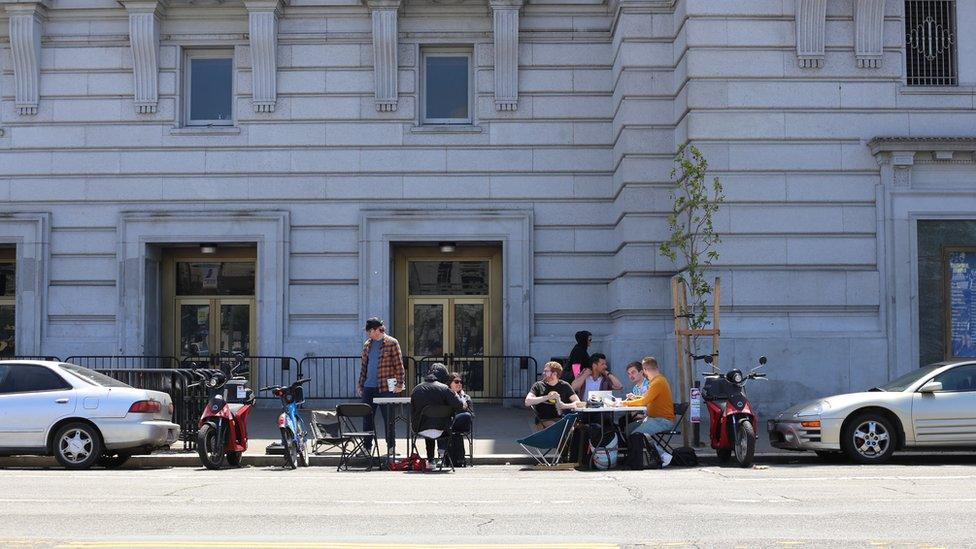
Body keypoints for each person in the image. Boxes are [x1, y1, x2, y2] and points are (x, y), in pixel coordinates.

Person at [356, 317, 405, 453]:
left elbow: (399, 365)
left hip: (385, 387)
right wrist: (360, 385)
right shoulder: (367, 344)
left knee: (388, 418)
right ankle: (367, 447)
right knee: (367, 418)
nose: (368, 333)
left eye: (370, 331)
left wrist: (400, 383)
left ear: (377, 329)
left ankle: (391, 447)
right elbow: (364, 367)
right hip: (369, 387)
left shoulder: (392, 343)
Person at [622, 356, 677, 467]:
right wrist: (635, 398)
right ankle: (636, 456)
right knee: (628, 429)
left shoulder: (657, 382)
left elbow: (645, 401)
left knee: (637, 435)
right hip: (653, 419)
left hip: (662, 420)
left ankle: (662, 456)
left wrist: (624, 403)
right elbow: (647, 399)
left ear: (645, 370)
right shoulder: (658, 380)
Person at [410, 362, 463, 469]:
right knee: (436, 421)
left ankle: (430, 460)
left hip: (420, 428)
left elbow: (413, 412)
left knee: (428, 421)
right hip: (443, 430)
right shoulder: (445, 389)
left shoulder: (416, 389)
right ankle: (442, 455)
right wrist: (455, 394)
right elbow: (459, 405)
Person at [525, 361, 580, 431]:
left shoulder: (564, 385)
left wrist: (564, 406)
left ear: (554, 374)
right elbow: (527, 402)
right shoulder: (538, 385)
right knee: (556, 427)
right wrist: (547, 397)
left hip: (562, 418)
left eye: (546, 371)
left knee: (577, 428)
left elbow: (578, 403)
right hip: (543, 420)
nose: (543, 373)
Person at [447, 371, 474, 466]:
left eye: (460, 382)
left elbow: (471, 414)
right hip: (449, 424)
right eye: (456, 382)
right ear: (450, 383)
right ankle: (458, 459)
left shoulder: (466, 397)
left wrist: (465, 406)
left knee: (466, 416)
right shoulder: (446, 396)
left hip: (462, 424)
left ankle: (455, 459)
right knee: (454, 434)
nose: (459, 384)